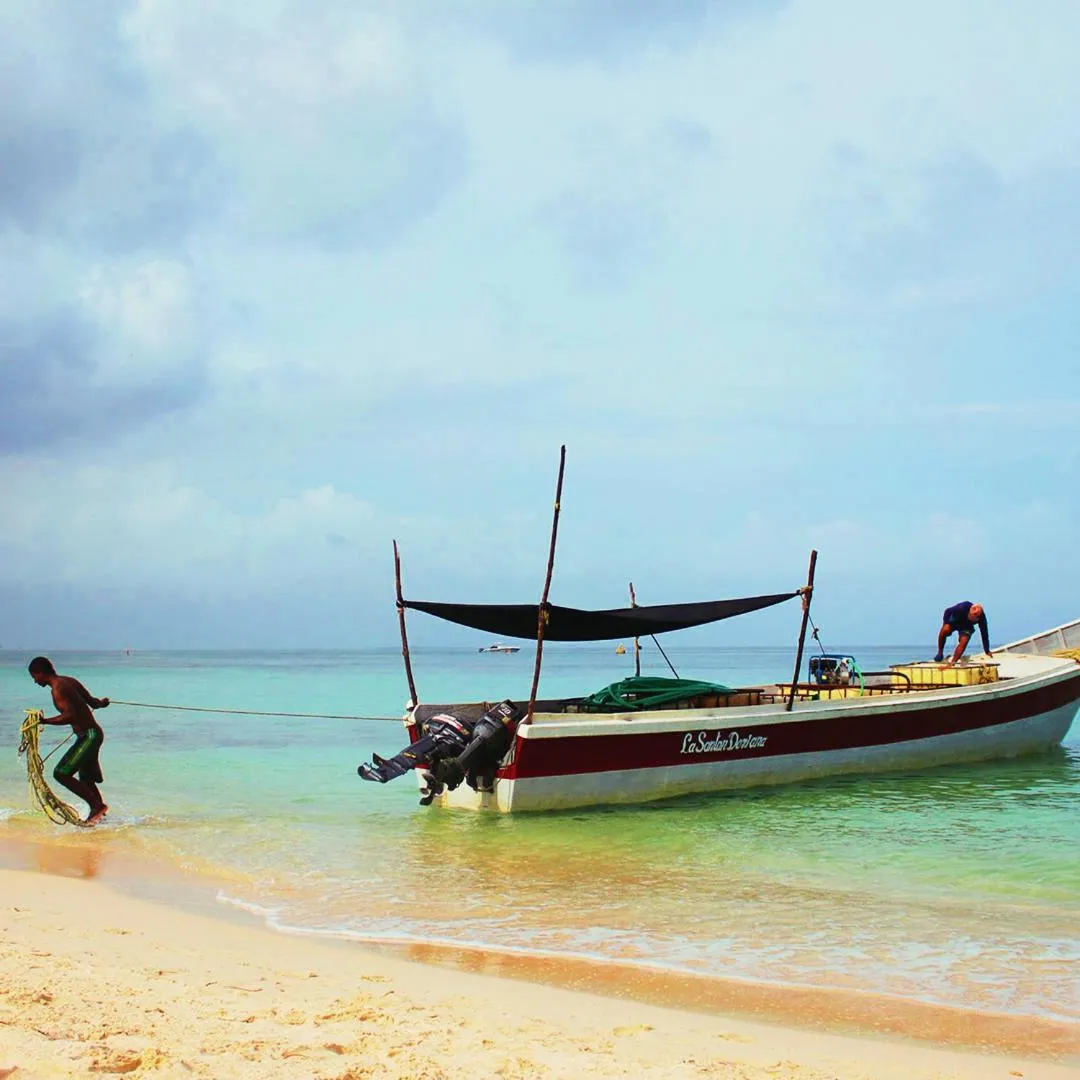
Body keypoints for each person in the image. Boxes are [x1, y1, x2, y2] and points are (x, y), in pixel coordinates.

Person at [27, 656, 110, 825]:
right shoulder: (68, 681)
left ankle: (97, 806)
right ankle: (101, 818)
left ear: (41, 673)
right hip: (93, 734)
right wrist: (102, 703)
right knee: (86, 777)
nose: (35, 681)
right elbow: (92, 702)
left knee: (61, 773)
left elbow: (70, 715)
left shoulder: (58, 689)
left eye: (34, 676)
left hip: (89, 736)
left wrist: (44, 721)